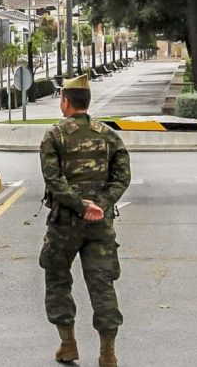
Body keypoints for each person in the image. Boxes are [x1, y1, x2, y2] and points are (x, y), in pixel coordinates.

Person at [39, 74, 131, 366]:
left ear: (65, 102)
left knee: (57, 280)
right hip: (99, 225)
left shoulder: (54, 136)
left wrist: (79, 205)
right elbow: (123, 176)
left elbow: (53, 180)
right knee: (102, 284)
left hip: (64, 224)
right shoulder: (108, 135)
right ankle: (108, 353)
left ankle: (68, 345)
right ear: (87, 103)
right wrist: (100, 205)